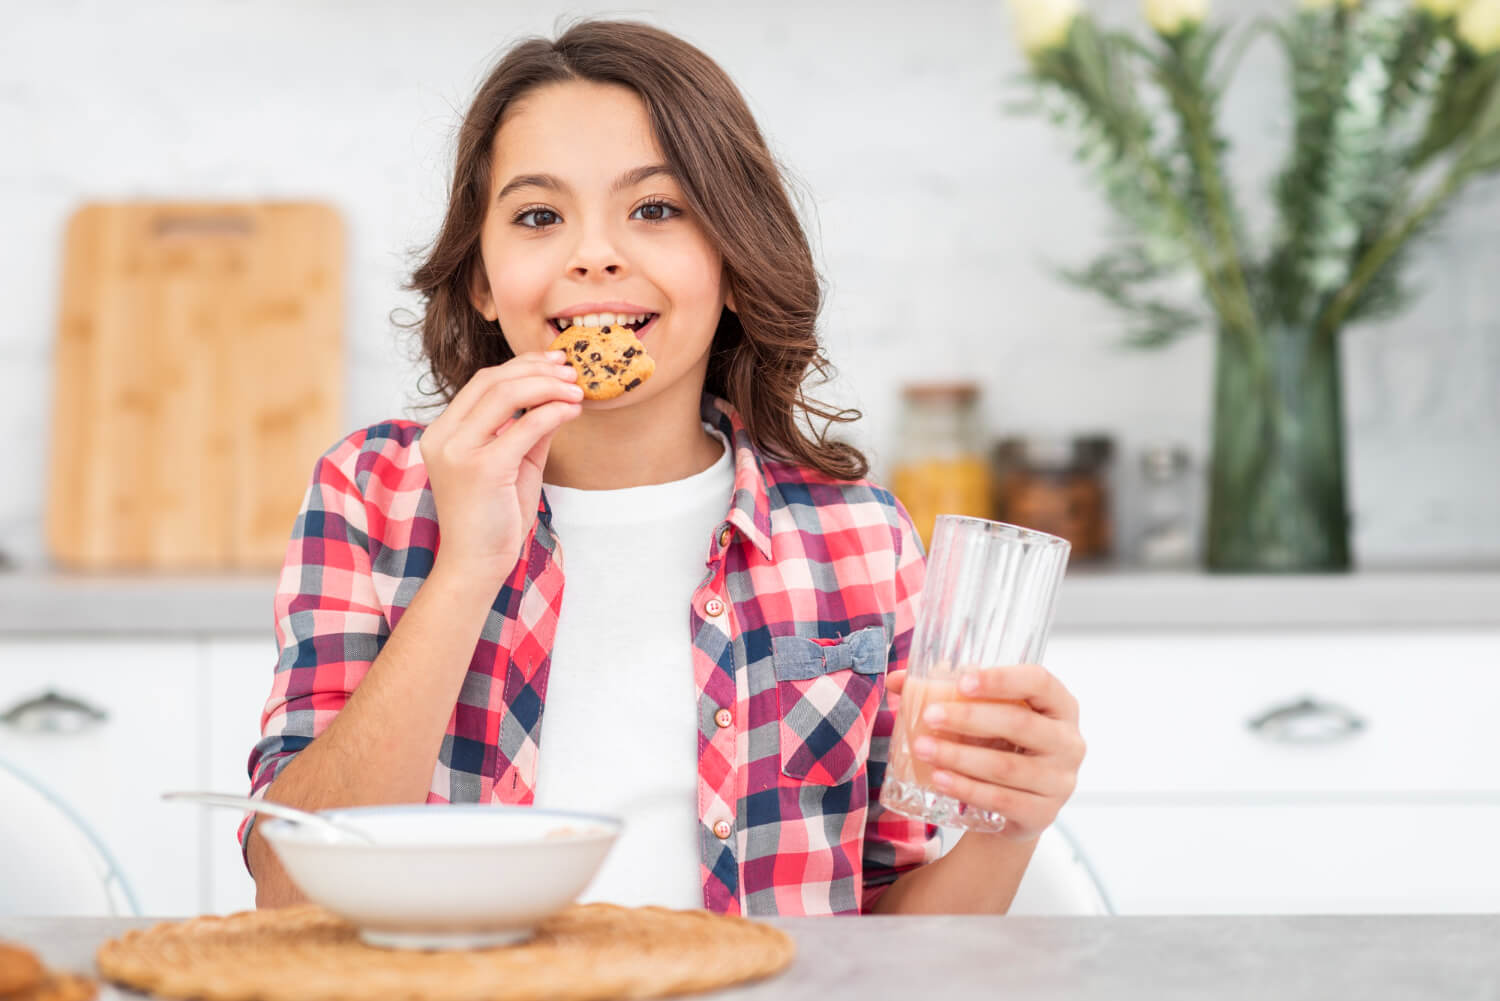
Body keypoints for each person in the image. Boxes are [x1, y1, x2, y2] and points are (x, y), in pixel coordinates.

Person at [241, 17, 1086, 916]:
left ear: (729, 255)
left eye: (655, 209)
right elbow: (292, 894)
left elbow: (891, 943)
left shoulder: (858, 536)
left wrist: (1010, 820)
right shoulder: (371, 495)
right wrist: (468, 568)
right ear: (482, 276)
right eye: (538, 216)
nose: (595, 253)